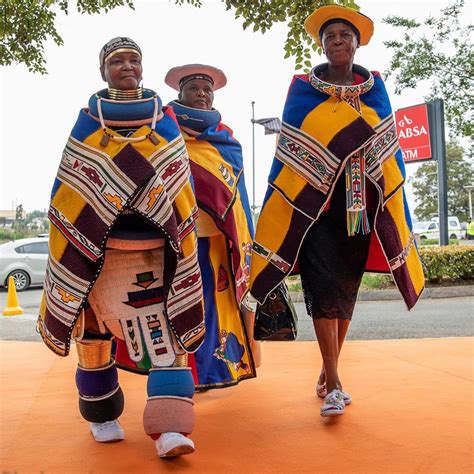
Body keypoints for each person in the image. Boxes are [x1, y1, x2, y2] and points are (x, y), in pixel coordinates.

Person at [249, 5, 425, 417]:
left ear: (357, 42)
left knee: (344, 297)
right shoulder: (302, 90)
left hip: (358, 211)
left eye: (345, 35)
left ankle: (329, 373)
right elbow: (292, 151)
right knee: (324, 295)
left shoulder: (376, 90)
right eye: (330, 37)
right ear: (323, 45)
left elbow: (387, 147)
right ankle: (334, 383)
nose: (338, 41)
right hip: (314, 212)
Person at [37, 37, 205, 458]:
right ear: (102, 72)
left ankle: (169, 429)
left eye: (133, 60)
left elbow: (179, 188)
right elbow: (69, 191)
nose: (126, 66)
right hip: (99, 252)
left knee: (167, 334)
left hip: (156, 249)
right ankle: (103, 416)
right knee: (94, 331)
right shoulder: (87, 126)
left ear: (143, 68)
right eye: (117, 61)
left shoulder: (164, 124)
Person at [165, 64, 261, 389]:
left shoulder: (226, 140)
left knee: (212, 310)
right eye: (194, 88)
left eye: (207, 90)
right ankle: (176, 377)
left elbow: (237, 195)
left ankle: (209, 375)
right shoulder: (164, 133)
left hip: (215, 242)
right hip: (176, 241)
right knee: (178, 307)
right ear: (180, 94)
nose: (202, 94)